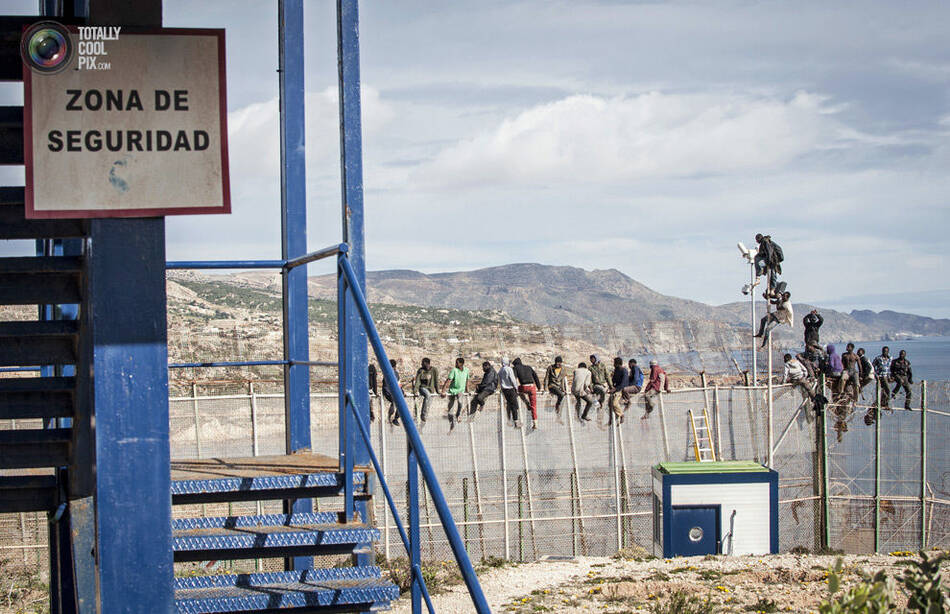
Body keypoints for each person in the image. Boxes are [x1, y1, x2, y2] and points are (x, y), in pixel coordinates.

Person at [441, 357, 471, 430]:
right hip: (452, 391)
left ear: (461, 363)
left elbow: (467, 380)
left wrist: (468, 390)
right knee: (450, 409)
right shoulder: (454, 370)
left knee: (460, 403)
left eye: (457, 362)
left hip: (460, 391)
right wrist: (443, 390)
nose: (456, 364)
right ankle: (451, 423)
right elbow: (448, 380)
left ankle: (458, 414)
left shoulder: (466, 370)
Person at [512, 357, 541, 430]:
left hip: (524, 387)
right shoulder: (529, 367)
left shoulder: (515, 368)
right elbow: (536, 377)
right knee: (534, 406)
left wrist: (514, 389)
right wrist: (539, 387)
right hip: (532, 387)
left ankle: (526, 402)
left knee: (519, 390)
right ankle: (535, 423)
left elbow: (514, 379)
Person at [411, 357, 439, 424]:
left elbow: (436, 381)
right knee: (427, 395)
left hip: (431, 389)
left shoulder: (434, 370)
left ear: (426, 363)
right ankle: (422, 415)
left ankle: (423, 421)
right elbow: (417, 381)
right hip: (423, 388)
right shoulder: (421, 371)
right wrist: (415, 390)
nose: (421, 364)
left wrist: (438, 391)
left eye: (422, 363)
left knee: (428, 404)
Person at [499, 357, 521, 427]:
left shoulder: (501, 370)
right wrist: (516, 388)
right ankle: (516, 422)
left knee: (509, 405)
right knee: (514, 405)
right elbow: (513, 379)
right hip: (510, 389)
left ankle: (509, 420)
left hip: (504, 390)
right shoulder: (509, 369)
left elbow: (499, 379)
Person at [608, 357, 631, 423]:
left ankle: (621, 415)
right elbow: (613, 380)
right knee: (610, 404)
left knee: (615, 403)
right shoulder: (616, 370)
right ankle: (614, 417)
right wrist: (611, 387)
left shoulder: (624, 371)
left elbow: (624, 383)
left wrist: (615, 389)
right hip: (617, 389)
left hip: (621, 389)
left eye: (614, 363)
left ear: (617, 364)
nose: (613, 364)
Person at [381, 359, 401, 425]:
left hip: (392, 392)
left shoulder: (395, 373)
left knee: (400, 401)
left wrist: (402, 392)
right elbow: (386, 386)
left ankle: (394, 418)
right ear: (395, 366)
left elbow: (398, 385)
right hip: (389, 392)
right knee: (395, 400)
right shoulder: (388, 373)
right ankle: (392, 417)